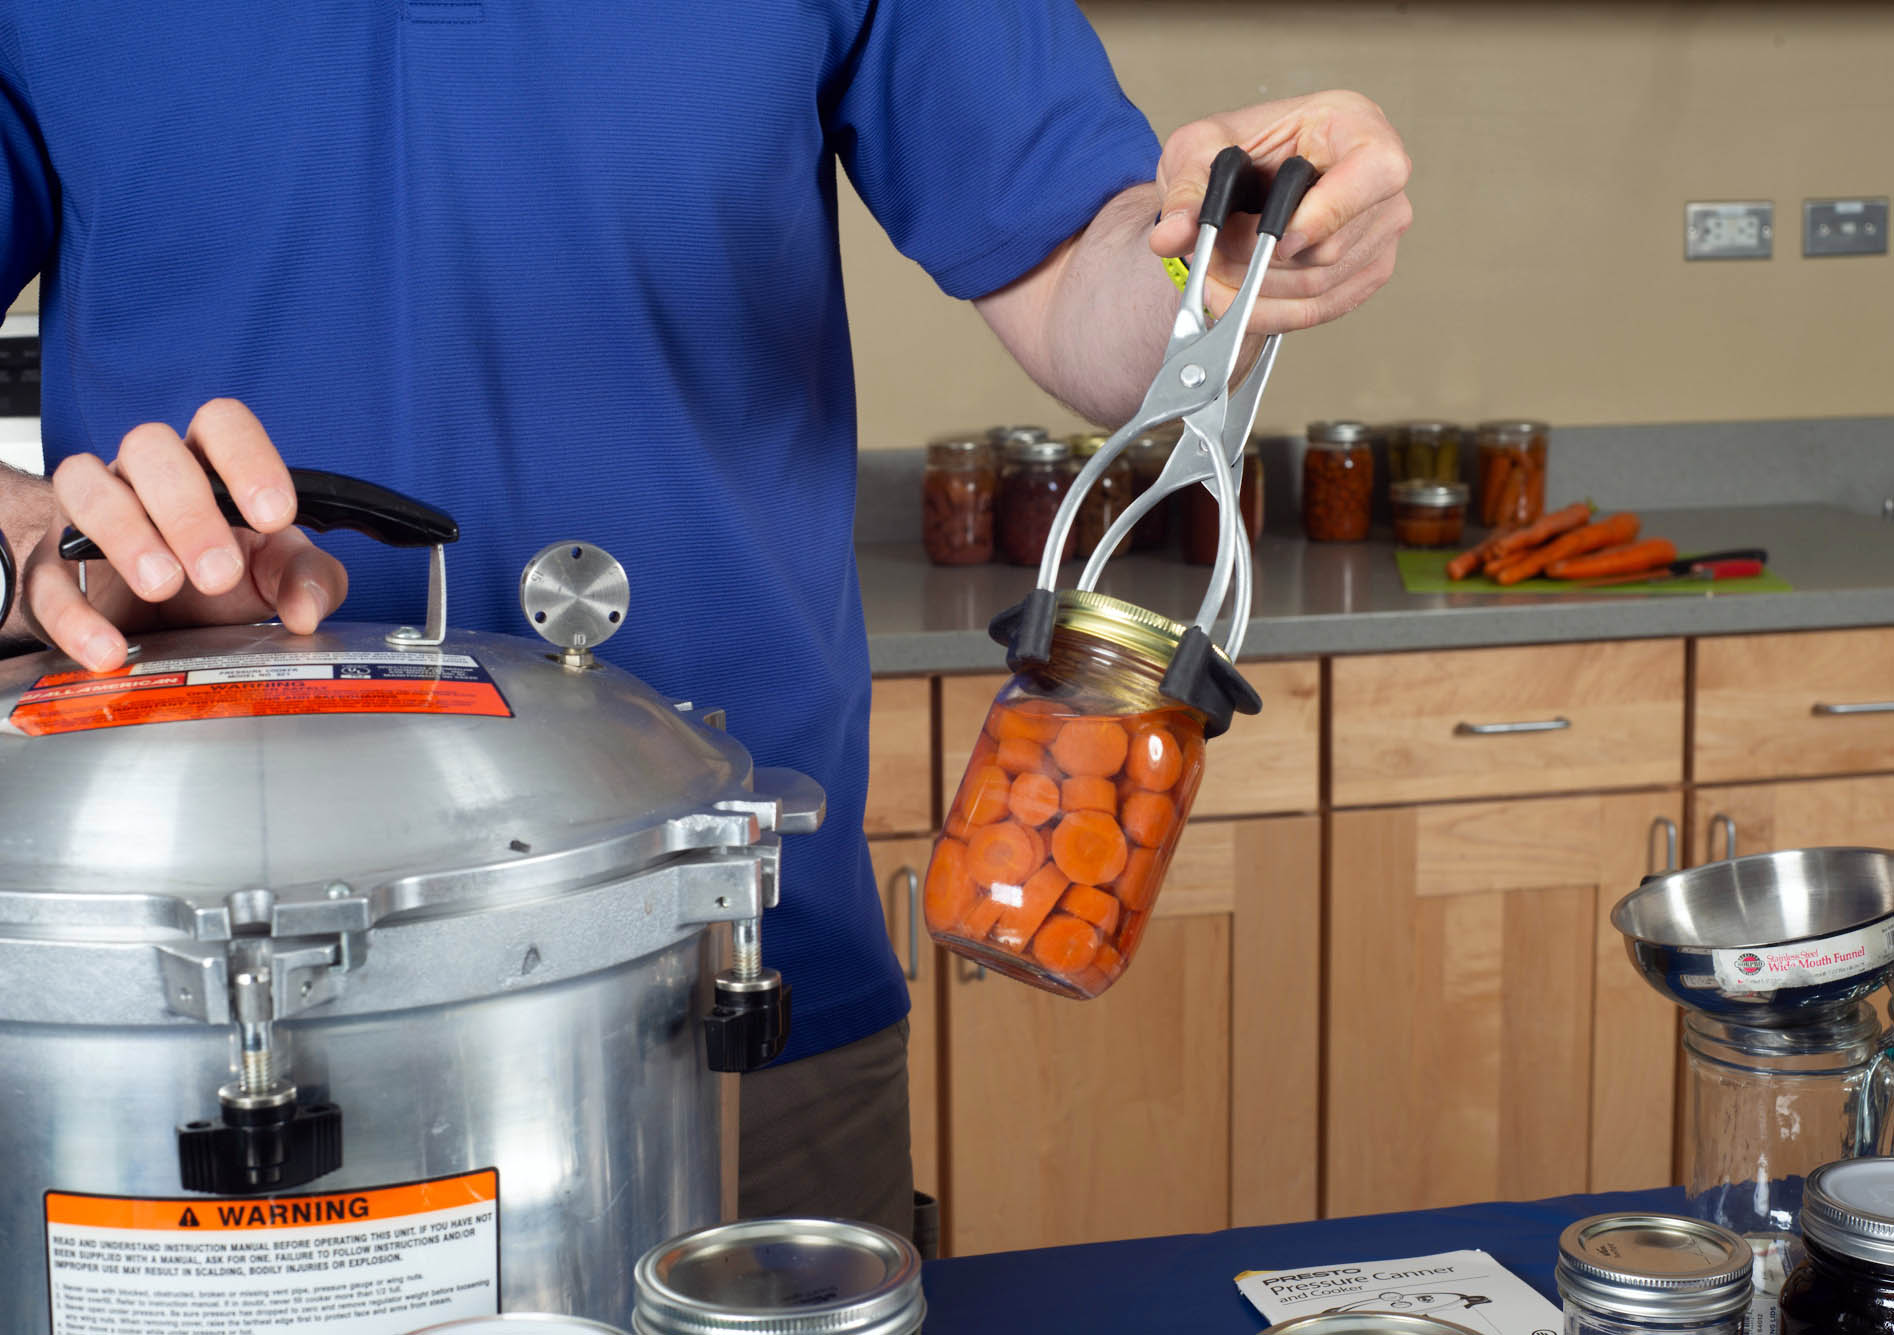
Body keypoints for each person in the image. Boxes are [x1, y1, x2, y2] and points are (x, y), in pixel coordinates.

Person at [0, 3, 1409, 1239]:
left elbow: (1075, 278)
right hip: (154, 1015)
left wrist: (1216, 269)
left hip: (736, 977)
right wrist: (35, 549)